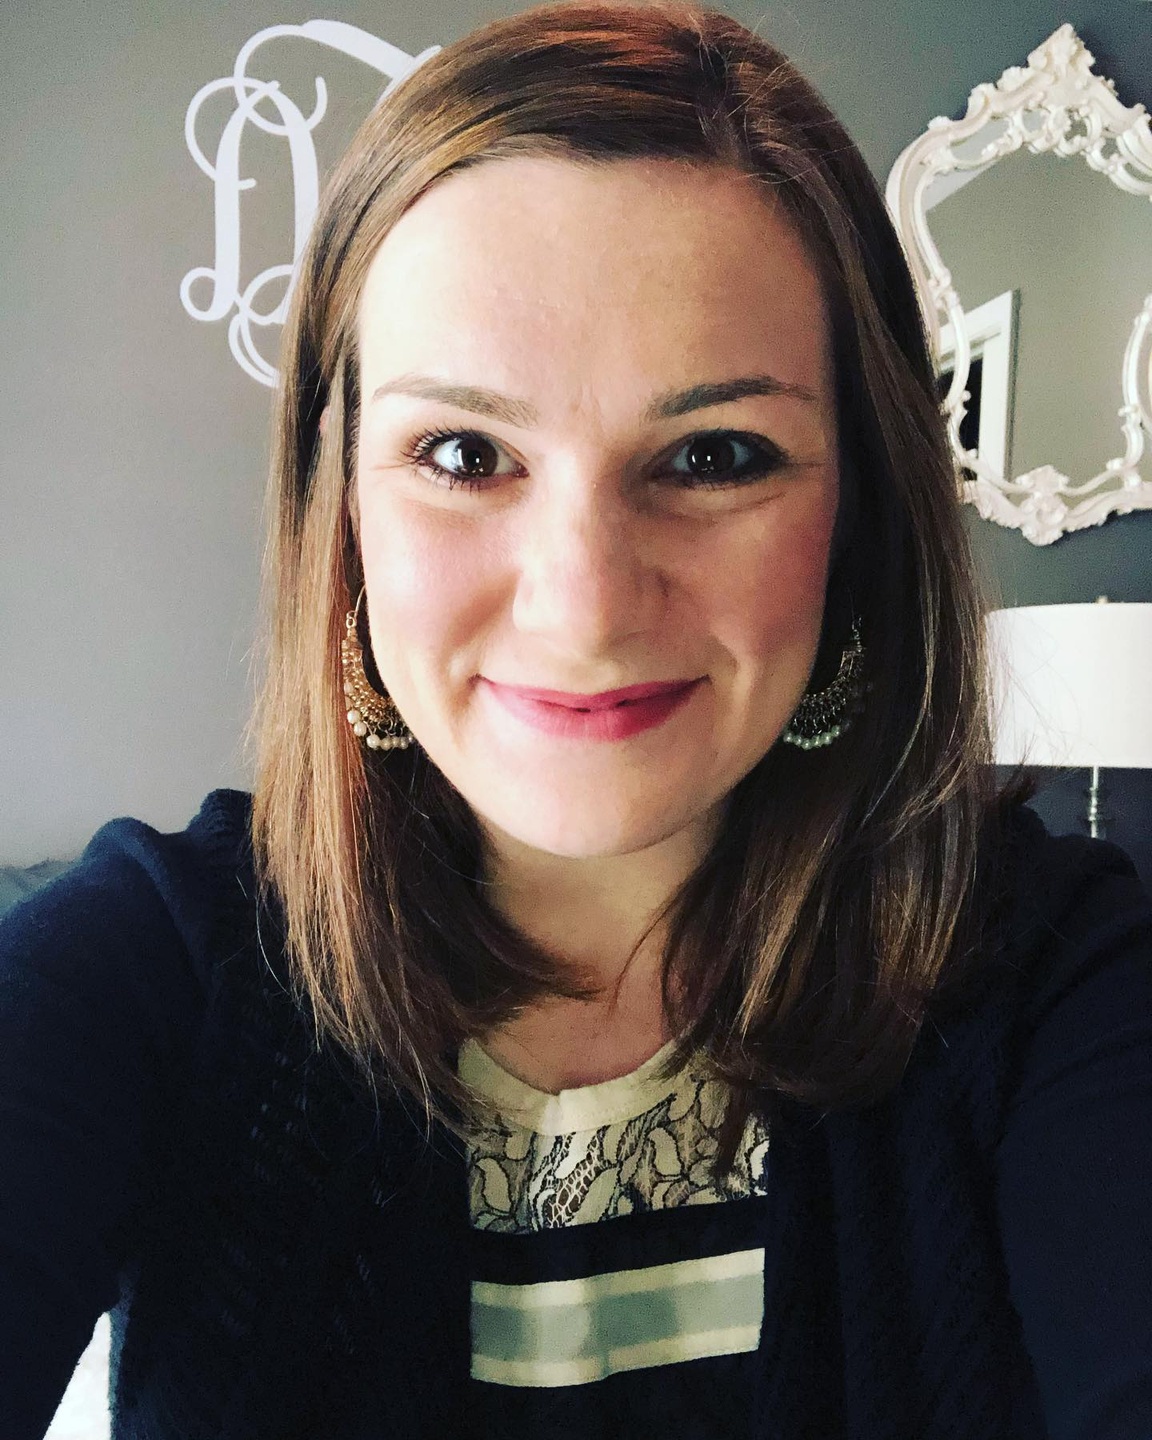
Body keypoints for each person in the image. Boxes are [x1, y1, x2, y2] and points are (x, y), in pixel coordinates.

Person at [2, 3, 1150, 1436]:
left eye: (714, 456)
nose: (586, 606)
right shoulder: (143, 971)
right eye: (462, 453)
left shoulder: (1060, 986)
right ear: (340, 509)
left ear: (856, 515)